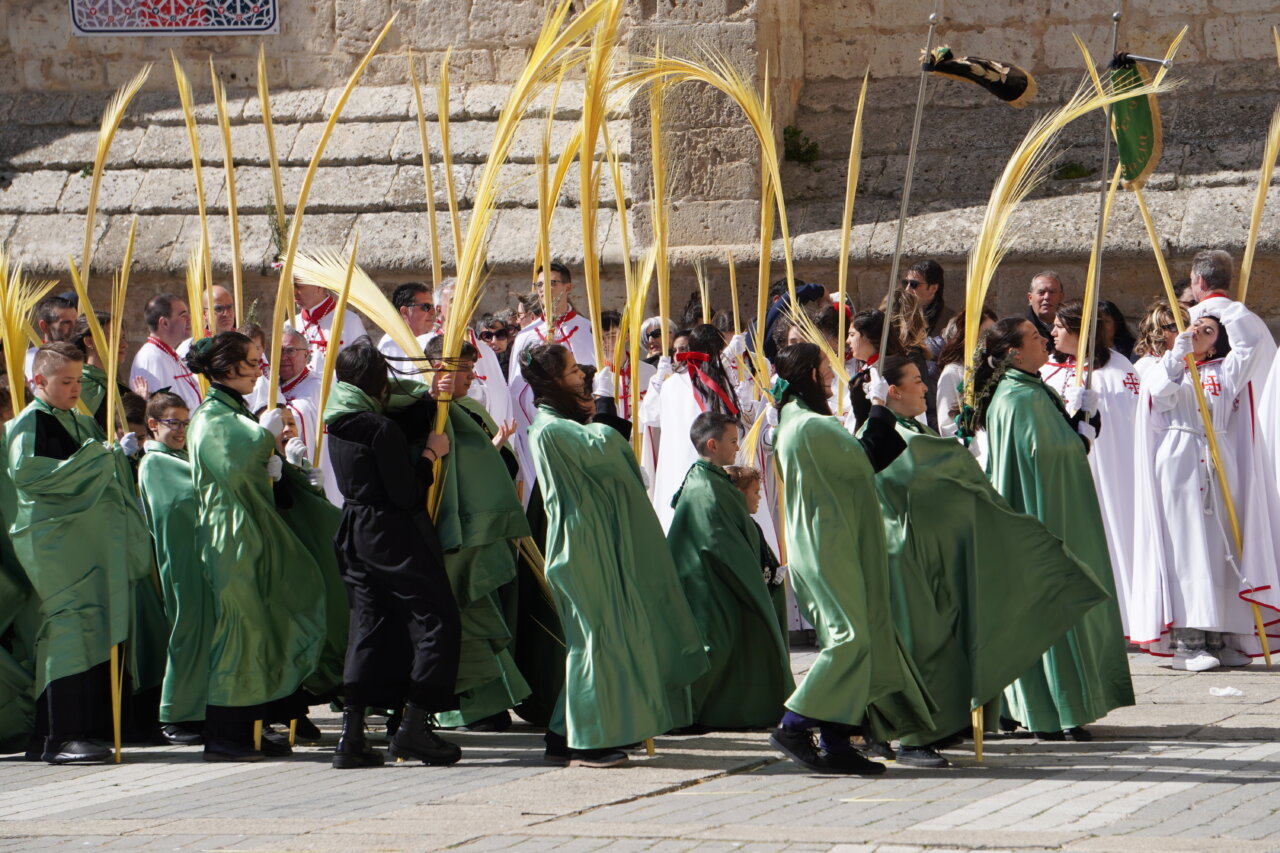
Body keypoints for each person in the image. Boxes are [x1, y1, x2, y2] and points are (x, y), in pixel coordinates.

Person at [869, 356, 1109, 767]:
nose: (924, 388)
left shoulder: (913, 426)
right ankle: (910, 738)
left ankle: (937, 724)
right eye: (914, 381)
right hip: (905, 550)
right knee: (919, 645)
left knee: (945, 642)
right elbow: (907, 475)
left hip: (940, 549)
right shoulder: (880, 432)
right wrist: (952, 457)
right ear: (892, 391)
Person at [523, 343, 708, 768]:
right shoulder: (550, 428)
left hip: (594, 540)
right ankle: (585, 741)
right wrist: (606, 406)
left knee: (602, 638)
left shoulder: (562, 424)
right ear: (553, 383)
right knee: (595, 640)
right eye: (571, 372)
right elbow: (601, 447)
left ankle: (561, 734)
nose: (581, 377)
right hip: (580, 546)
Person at [767, 342, 933, 775]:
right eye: (823, 368)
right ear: (806, 375)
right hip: (827, 546)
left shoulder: (805, 422)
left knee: (860, 641)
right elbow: (864, 460)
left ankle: (839, 741)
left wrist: (864, 405)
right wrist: (878, 407)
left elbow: (849, 459)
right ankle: (794, 722)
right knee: (850, 640)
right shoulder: (807, 426)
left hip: (834, 540)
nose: (829, 374)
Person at [965, 318, 1133, 739]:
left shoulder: (1029, 389)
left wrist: (1078, 420)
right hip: (1045, 515)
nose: (1044, 340)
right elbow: (1044, 454)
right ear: (1013, 353)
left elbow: (1048, 444)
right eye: (1035, 337)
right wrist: (1078, 429)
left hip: (1053, 510)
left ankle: (1050, 708)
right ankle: (1052, 711)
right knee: (1052, 606)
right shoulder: (1018, 397)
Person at [184, 332, 331, 761]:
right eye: (251, 362)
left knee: (257, 627)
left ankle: (250, 724)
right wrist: (263, 439)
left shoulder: (231, 411)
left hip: (247, 528)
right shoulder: (211, 417)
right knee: (239, 630)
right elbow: (232, 467)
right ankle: (225, 733)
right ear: (228, 369)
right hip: (229, 533)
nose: (260, 367)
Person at [7, 342, 152, 763]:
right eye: (65, 381)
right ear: (39, 382)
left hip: (80, 544)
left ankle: (57, 734)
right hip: (56, 545)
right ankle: (61, 736)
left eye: (76, 380)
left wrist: (109, 458)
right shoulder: (29, 421)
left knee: (85, 628)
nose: (74, 388)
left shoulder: (74, 419)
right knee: (70, 630)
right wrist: (101, 458)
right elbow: (29, 474)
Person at [323, 338, 464, 768]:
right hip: (392, 532)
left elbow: (394, 421)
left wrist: (430, 397)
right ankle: (415, 727)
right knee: (437, 619)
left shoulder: (339, 418)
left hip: (354, 531)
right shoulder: (378, 427)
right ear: (378, 382)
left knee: (367, 626)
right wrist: (428, 455)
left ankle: (351, 735)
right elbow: (404, 490)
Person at [1130, 313, 1276, 668]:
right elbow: (1160, 396)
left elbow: (1252, 343)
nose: (1198, 334)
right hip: (1179, 459)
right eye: (1193, 327)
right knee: (1187, 548)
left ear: (1216, 341)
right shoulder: (1157, 364)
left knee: (1220, 548)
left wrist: (1228, 311)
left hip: (1219, 458)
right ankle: (1187, 642)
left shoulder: (1224, 370)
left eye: (1208, 331)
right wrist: (1178, 356)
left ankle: (1220, 636)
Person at [419, 336, 531, 733]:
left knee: (479, 612)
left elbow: (493, 460)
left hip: (476, 527)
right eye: (463, 368)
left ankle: (489, 701)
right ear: (438, 369)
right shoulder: (420, 406)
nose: (471, 375)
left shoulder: (469, 408)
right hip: (444, 527)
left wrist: (497, 448)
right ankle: (458, 706)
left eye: (471, 367)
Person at [667, 412, 794, 730]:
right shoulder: (706, 489)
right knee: (716, 648)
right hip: (709, 588)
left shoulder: (712, 482)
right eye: (733, 441)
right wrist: (754, 580)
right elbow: (721, 544)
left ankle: (713, 712)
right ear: (712, 444)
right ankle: (688, 715)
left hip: (716, 584)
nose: (738, 448)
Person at [1040, 300, 1141, 636]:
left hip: (1109, 474)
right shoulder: (1055, 372)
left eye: (1058, 325)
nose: (1052, 331)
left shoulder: (1115, 372)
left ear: (1077, 331)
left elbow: (1122, 427)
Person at [137, 391, 207, 746]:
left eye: (185, 421)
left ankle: (200, 708)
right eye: (172, 422)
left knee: (201, 630)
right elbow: (174, 507)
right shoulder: (155, 463)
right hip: (176, 559)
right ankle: (174, 712)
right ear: (152, 425)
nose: (181, 429)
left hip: (197, 556)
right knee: (185, 630)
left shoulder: (181, 457)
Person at [933, 308, 996, 439]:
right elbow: (948, 427)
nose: (991, 340)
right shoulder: (952, 373)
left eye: (994, 334)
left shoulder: (994, 368)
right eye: (986, 334)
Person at [131, 294, 201, 412]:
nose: (190, 319)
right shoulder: (151, 357)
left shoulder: (167, 353)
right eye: (183, 315)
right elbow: (160, 411)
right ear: (164, 323)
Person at [294, 279, 367, 373]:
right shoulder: (291, 324)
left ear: (318, 287)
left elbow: (363, 368)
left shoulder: (349, 321)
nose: (294, 292)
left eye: (298, 286)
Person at [376, 282, 436, 368]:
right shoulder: (389, 346)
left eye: (432, 307)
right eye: (426, 307)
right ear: (404, 311)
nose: (432, 312)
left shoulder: (433, 340)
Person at [904, 259, 953, 358]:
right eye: (906, 283)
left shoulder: (949, 320)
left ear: (933, 288)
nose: (907, 289)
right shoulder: (897, 313)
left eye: (914, 284)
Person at [24, 296, 78, 385]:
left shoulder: (82, 356)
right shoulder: (29, 359)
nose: (74, 328)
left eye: (76, 322)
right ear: (44, 326)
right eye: (66, 323)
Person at [1025, 271, 1065, 344]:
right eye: (1041, 292)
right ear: (1030, 298)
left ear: (1061, 297)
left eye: (1052, 292)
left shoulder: (1072, 330)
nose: (1047, 297)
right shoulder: (1020, 331)